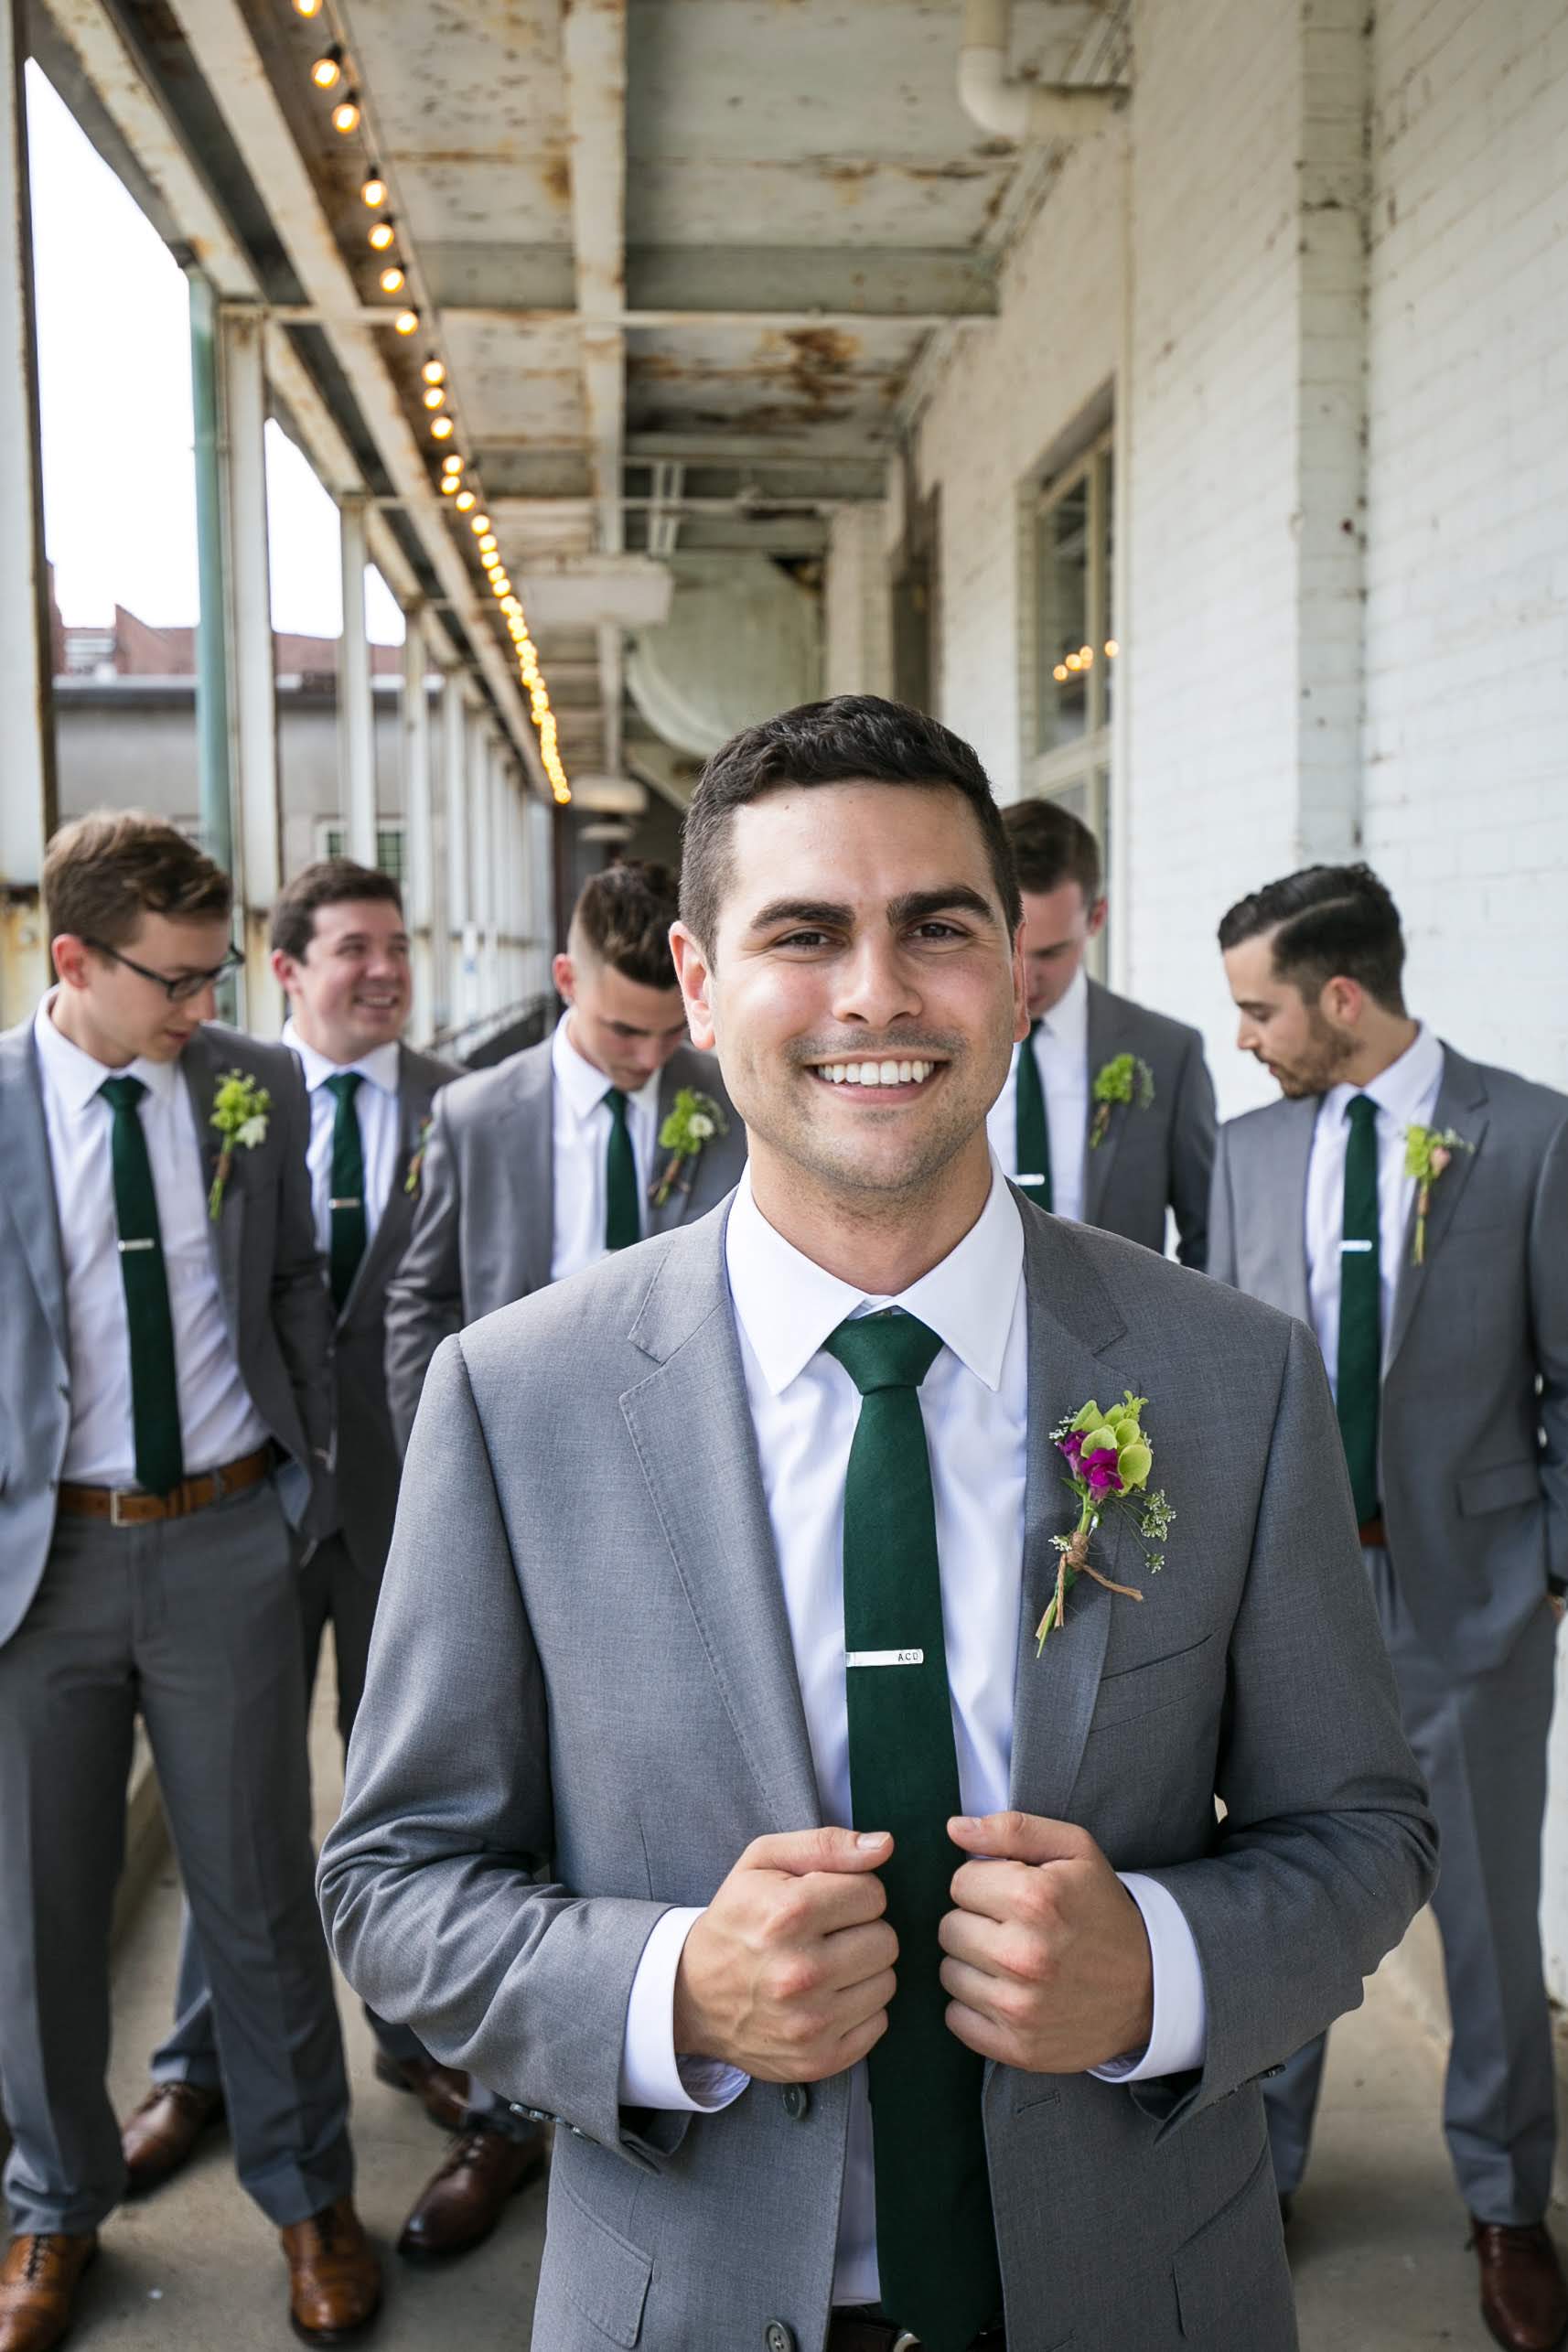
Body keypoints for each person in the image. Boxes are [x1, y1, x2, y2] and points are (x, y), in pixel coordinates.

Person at [320, 695, 1435, 2352]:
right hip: (684, 2296)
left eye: (935, 927)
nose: (874, 992)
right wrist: (665, 1991)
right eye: (801, 933)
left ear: (1013, 968)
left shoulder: (1230, 1375)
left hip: (1134, 2286)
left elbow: (1360, 1827)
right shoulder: (519, 1397)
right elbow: (394, 1878)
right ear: (697, 984)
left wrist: (1165, 1968)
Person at [129, 858, 547, 2264]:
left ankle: (413, 2029)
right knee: (228, 1795)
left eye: (397, 944)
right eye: (353, 947)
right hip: (247, 1503)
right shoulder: (207, 1090)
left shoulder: (462, 1100)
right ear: (287, 962)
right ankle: (199, 2060)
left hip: (416, 1509)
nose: (384, 968)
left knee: (405, 1780)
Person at [0, 814, 378, 2352]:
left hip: (230, 1534)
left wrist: (302, 1477)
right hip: (45, 1561)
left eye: (216, 974)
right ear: (69, 958)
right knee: (37, 1909)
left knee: (259, 1889)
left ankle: (309, 2196)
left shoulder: (253, 1086)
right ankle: (48, 2208)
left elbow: (295, 1274)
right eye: (173, 980)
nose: (203, 1008)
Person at [1211, 862, 1568, 2352]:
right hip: (1284, 1599)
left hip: (1465, 1596)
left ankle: (1502, 2204)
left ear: (1338, 999)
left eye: (1257, 1008)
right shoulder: (1238, 1157)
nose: (1241, 1037)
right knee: (1279, 1899)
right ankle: (1258, 2175)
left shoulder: (1526, 1136)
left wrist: (1545, 1565)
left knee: (1483, 1918)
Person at [382, 858, 746, 1452]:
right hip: (526, 1434)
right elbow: (422, 1302)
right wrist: (433, 1458)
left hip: (694, 1435)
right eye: (624, 1030)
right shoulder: (472, 1114)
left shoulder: (730, 1096)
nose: (651, 1056)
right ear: (567, 979)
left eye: (670, 1030)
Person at [986, 798, 1216, 1265]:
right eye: (1012, 946)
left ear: (1096, 918)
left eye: (1051, 953)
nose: (1025, 976)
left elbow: (1209, 1234)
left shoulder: (1167, 1052)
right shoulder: (928, 1045)